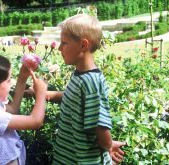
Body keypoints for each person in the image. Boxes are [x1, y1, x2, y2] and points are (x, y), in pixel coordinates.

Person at [45, 14, 126, 164]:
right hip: (69, 158)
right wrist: (44, 94)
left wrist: (109, 145)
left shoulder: (91, 83)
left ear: (83, 45)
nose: (59, 49)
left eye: (64, 43)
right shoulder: (81, 75)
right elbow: (74, 98)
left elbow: (99, 124)